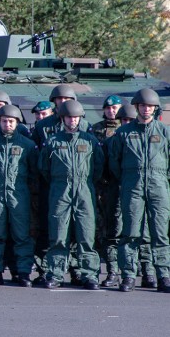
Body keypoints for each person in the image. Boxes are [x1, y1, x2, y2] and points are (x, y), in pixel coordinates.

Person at [107, 88, 170, 293]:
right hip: (132, 186)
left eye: (150, 106)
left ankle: (163, 275)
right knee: (131, 233)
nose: (146, 109)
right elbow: (114, 162)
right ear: (137, 107)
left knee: (160, 233)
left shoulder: (164, 131)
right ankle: (128, 276)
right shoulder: (124, 132)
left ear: (155, 108)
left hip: (158, 185)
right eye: (143, 105)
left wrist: (161, 180)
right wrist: (127, 179)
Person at [37, 100, 104, 289]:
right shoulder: (53, 142)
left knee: (86, 235)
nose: (73, 121)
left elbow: (98, 167)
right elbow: (44, 168)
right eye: (69, 117)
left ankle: (89, 275)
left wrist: (85, 182)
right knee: (58, 234)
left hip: (84, 190)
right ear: (62, 119)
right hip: (60, 189)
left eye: (76, 117)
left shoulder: (89, 141)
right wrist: (61, 182)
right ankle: (56, 274)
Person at [0, 105, 37, 287]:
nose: (8, 124)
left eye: (11, 121)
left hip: (19, 195)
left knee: (21, 236)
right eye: (4, 121)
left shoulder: (27, 145)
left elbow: (34, 172)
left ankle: (23, 272)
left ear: (17, 122)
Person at [92, 95, 123, 287]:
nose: (112, 111)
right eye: (109, 108)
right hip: (98, 184)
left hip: (118, 184)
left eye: (116, 108)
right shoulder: (95, 129)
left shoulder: (125, 130)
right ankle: (95, 271)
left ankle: (116, 271)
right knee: (97, 228)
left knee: (117, 228)